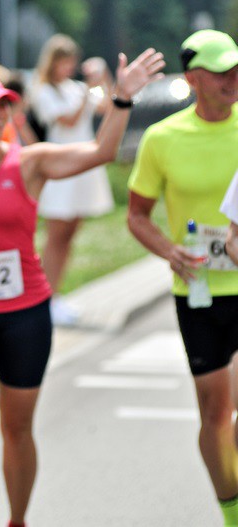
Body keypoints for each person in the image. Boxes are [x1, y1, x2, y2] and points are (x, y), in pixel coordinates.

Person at [0, 50, 164, 527]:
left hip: (26, 311)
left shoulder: (30, 162)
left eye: (5, 105)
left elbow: (101, 153)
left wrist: (122, 97)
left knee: (17, 427)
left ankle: (18, 520)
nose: (0, 113)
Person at [128, 29, 238, 527]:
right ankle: (230, 508)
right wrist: (169, 251)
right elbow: (136, 215)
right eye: (222, 73)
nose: (233, 80)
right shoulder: (163, 138)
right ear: (194, 79)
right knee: (215, 416)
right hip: (197, 292)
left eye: (236, 70)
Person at [30, 34, 116, 325]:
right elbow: (66, 120)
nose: (68, 68)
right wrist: (86, 93)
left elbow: (108, 105)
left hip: (81, 164)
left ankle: (55, 293)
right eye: (63, 62)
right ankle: (45, 295)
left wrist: (103, 77)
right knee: (56, 235)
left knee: (70, 234)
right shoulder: (44, 90)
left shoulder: (76, 88)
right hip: (59, 166)